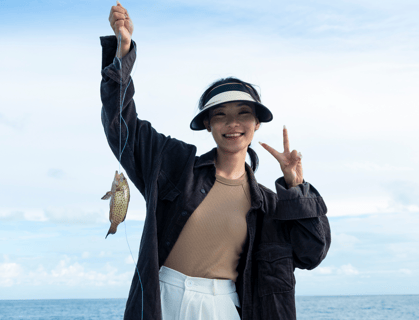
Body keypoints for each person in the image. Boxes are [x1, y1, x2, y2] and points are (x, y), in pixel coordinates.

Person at [101, 2, 331, 320]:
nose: (232, 124)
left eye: (243, 114)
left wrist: (296, 187)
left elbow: (311, 253)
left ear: (257, 124)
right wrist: (123, 51)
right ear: (207, 123)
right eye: (220, 115)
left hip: (224, 305)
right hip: (162, 297)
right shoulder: (173, 164)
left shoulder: (269, 203)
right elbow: (120, 124)